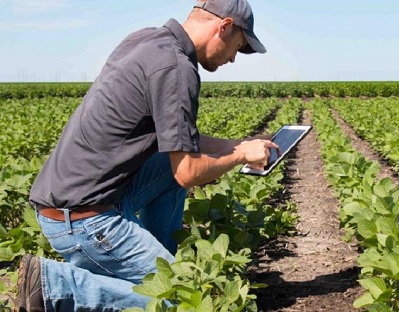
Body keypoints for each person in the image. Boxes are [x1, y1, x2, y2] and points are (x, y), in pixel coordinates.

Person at [15, 0, 277, 311]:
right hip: (85, 220)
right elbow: (188, 173)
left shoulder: (147, 40)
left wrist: (236, 144)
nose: (234, 58)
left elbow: (182, 142)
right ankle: (53, 285)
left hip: (69, 201)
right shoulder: (177, 69)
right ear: (225, 26)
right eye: (239, 45)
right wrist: (240, 156)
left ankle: (155, 262)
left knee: (167, 166)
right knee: (187, 297)